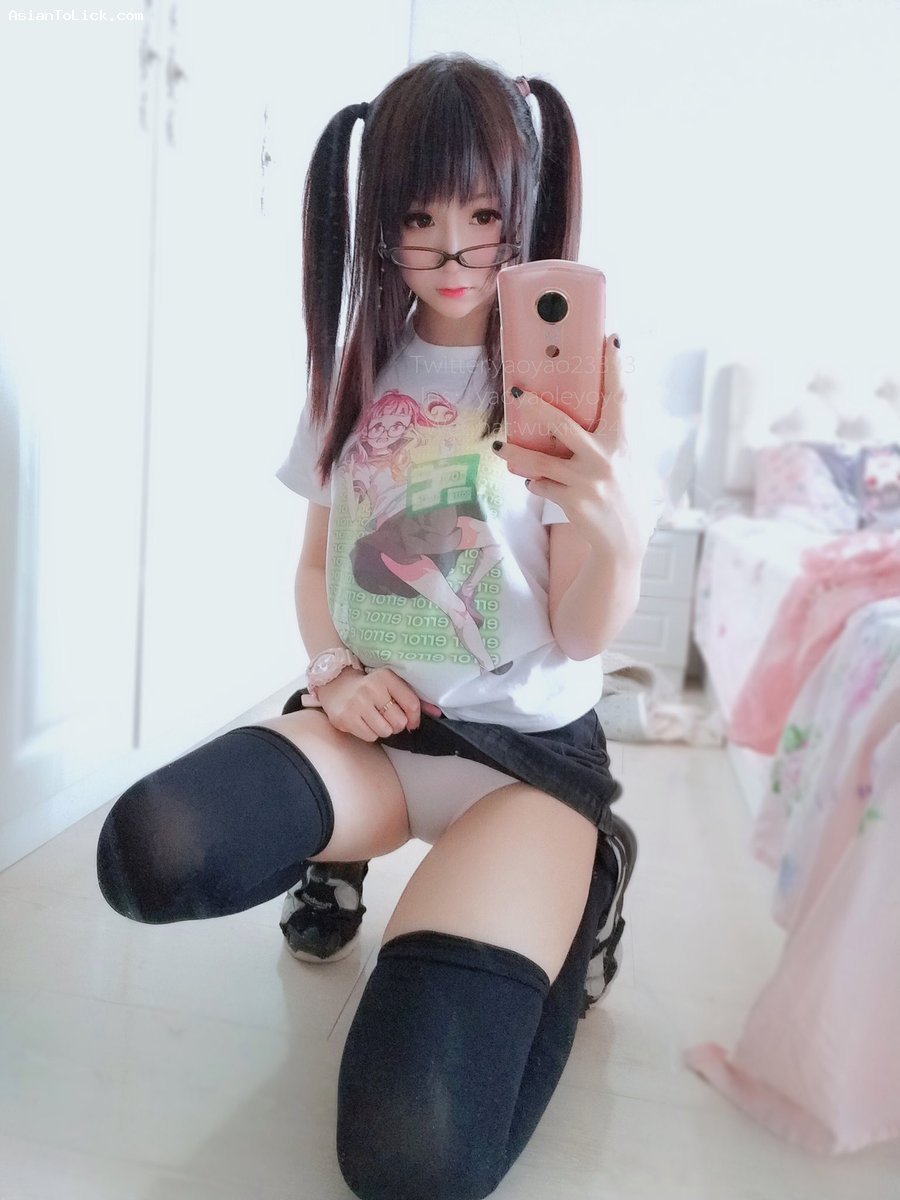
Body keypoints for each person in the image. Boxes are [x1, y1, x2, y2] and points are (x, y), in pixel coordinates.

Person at [96, 52, 660, 1200]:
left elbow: (577, 631)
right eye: (418, 218)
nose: (453, 252)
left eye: (484, 216)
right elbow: (317, 564)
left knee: (414, 1154)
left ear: (526, 208)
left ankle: (589, 882)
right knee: (153, 848)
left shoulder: (569, 381)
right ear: (376, 221)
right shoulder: (352, 366)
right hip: (375, 732)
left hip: (524, 768)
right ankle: (339, 856)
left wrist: (618, 532)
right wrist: (333, 670)